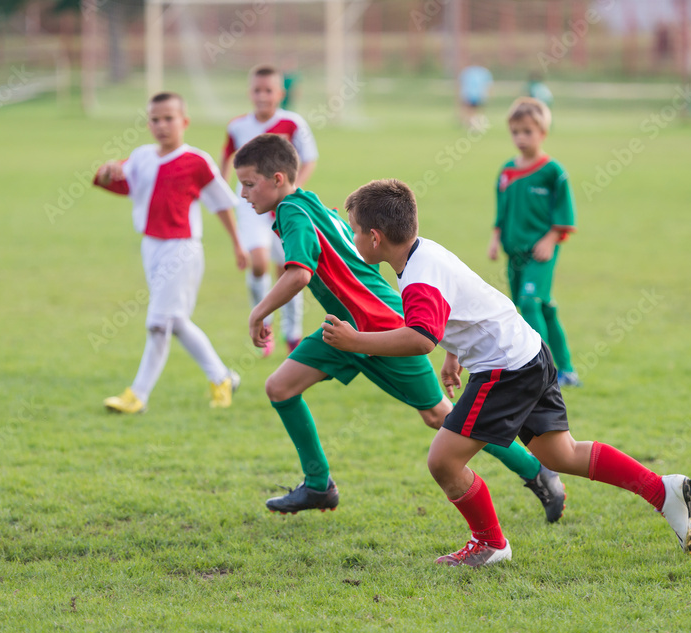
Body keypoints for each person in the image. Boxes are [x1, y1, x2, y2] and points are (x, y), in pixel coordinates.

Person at [323, 178, 691, 567]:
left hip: (505, 369)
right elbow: (461, 306)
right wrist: (455, 354)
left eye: (353, 230)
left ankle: (490, 543)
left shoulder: (418, 278)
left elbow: (421, 339)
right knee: (560, 453)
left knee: (444, 461)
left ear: (374, 237)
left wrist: (356, 342)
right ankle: (662, 491)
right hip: (527, 352)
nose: (351, 237)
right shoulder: (425, 253)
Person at [232, 134, 566, 520]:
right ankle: (318, 485)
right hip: (344, 329)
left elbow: (299, 274)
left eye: (248, 183)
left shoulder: (292, 212)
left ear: (277, 179)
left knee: (440, 415)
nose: (243, 193)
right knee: (280, 387)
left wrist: (259, 312)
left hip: (380, 325)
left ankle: (537, 473)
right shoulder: (305, 201)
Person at [93, 92, 246, 413]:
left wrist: (237, 244)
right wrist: (107, 172)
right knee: (174, 321)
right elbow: (121, 182)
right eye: (155, 119)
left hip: (182, 249)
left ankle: (137, 396)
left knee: (158, 323)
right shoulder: (142, 157)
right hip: (151, 247)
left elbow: (221, 205)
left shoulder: (197, 161)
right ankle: (222, 377)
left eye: (169, 118)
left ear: (184, 122)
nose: (161, 125)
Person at [221, 64, 318, 357]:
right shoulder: (238, 126)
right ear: (250, 92)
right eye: (257, 90)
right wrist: (226, 195)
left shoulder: (293, 123)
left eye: (268, 90)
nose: (262, 96)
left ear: (280, 93)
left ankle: (293, 333)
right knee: (260, 263)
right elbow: (224, 162)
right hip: (251, 206)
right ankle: (263, 323)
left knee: (290, 270)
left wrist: (291, 192)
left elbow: (309, 159)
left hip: (284, 207)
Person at [488, 97, 580, 387]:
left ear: (543, 132)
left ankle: (543, 372)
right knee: (542, 307)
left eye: (527, 131)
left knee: (529, 303)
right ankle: (566, 369)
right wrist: (495, 238)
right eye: (515, 132)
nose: (521, 137)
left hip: (541, 252)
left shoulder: (553, 172)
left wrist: (552, 238)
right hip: (513, 252)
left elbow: (565, 213)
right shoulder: (506, 171)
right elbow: (501, 209)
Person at [458, 64, 493, 129]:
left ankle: (473, 125)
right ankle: (475, 125)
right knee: (474, 111)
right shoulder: (483, 71)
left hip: (473, 95)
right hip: (476, 95)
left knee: (472, 112)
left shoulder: (468, 71)